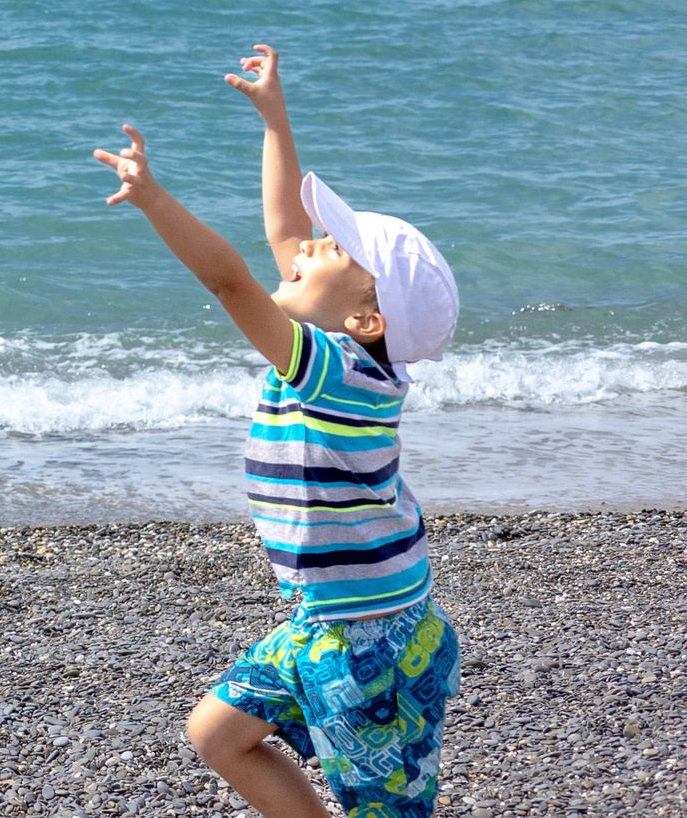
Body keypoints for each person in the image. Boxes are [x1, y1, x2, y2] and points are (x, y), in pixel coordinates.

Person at [93, 44, 461, 818]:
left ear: (365, 317)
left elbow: (230, 280)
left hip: (367, 643)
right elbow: (286, 228)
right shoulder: (348, 351)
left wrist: (155, 198)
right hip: (328, 616)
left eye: (339, 249)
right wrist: (274, 118)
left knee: (385, 809)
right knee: (217, 733)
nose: (312, 247)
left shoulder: (337, 375)